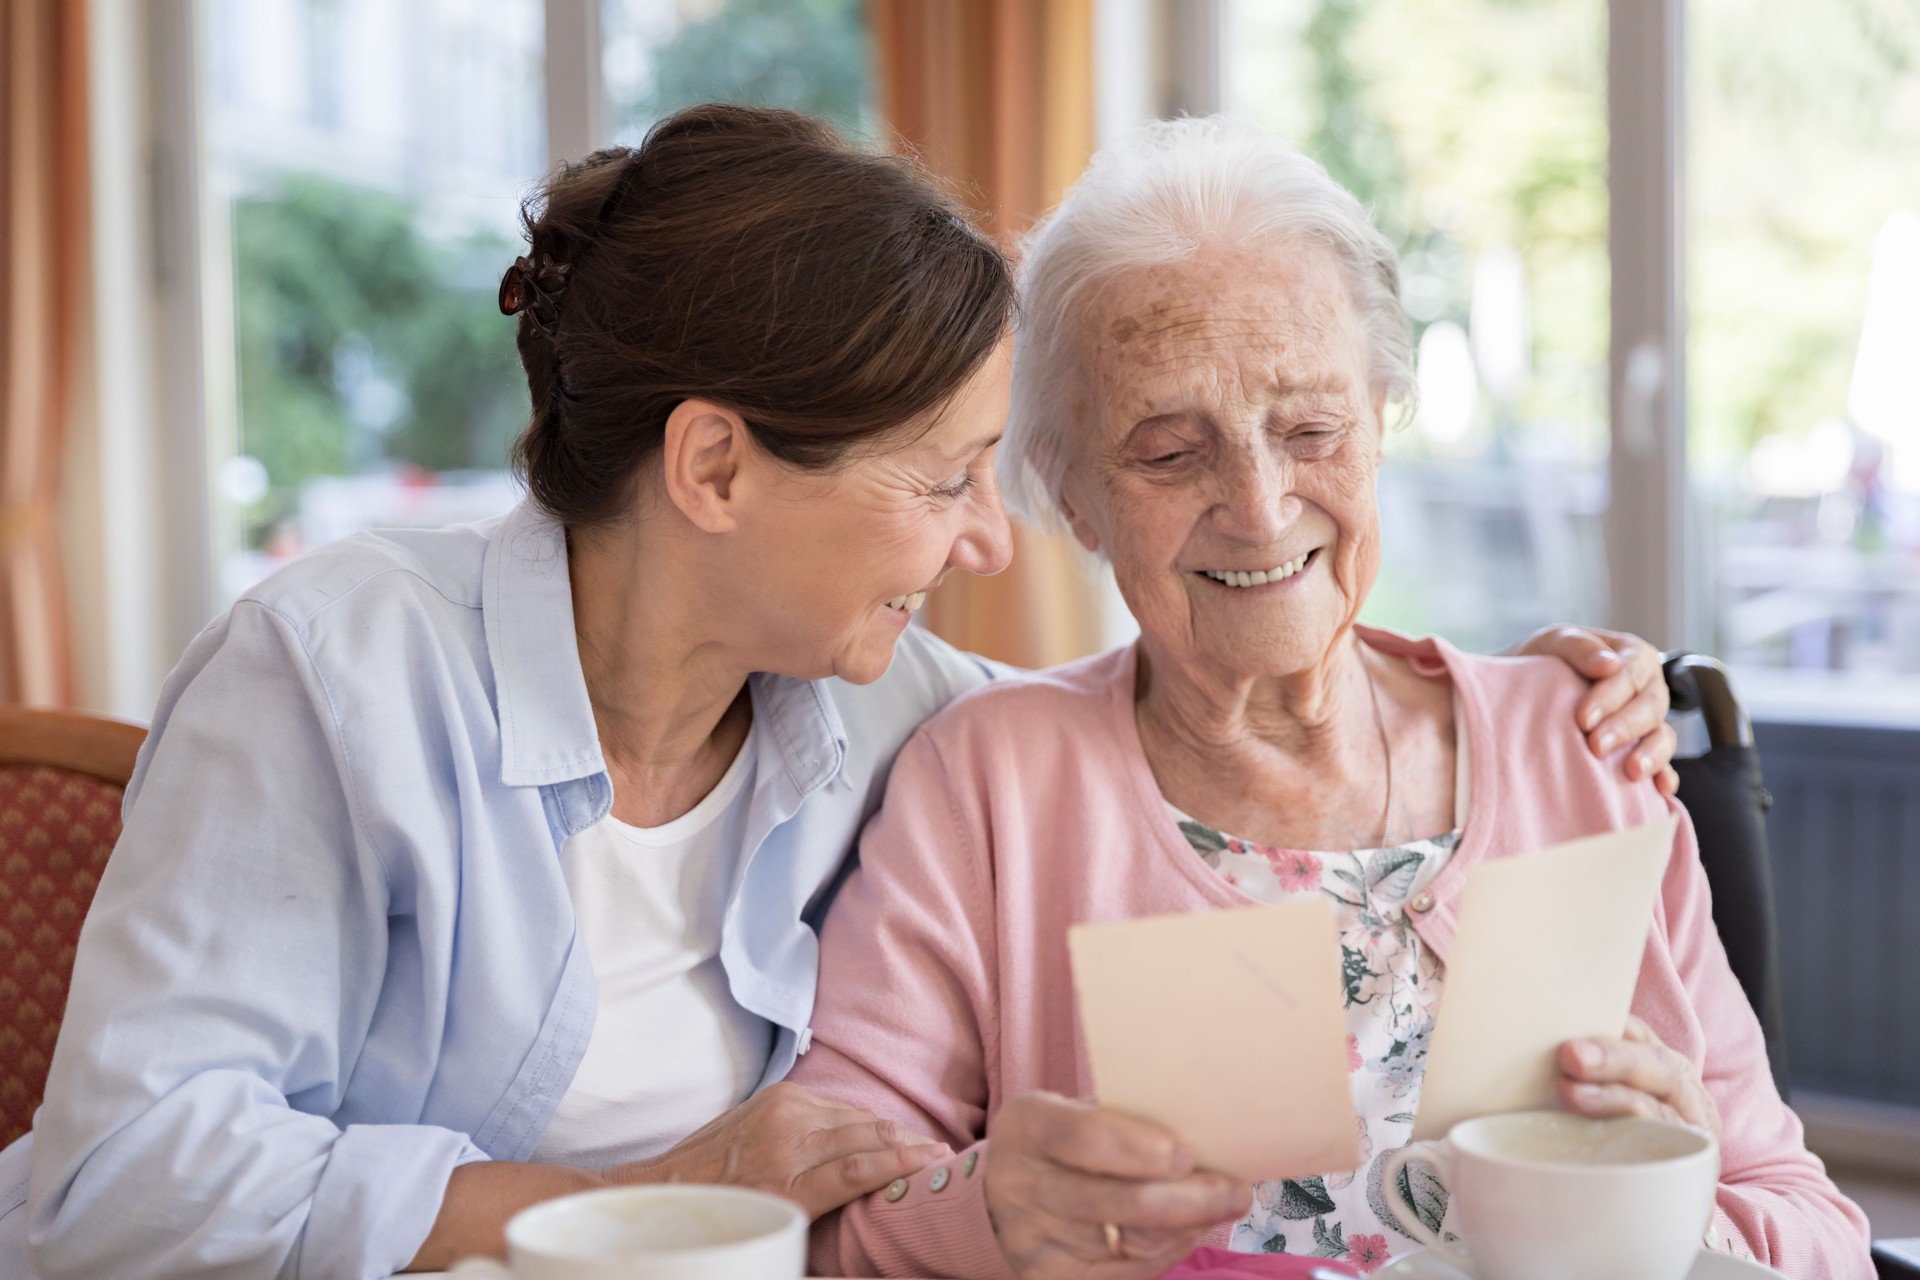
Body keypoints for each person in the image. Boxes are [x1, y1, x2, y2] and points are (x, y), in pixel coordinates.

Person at [0, 106, 1678, 1280]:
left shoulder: (894, 708)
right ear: (716, 467)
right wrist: (649, 1193)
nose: (980, 539)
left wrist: (1513, 699)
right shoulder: (333, 673)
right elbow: (109, 1186)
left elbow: (1155, 702)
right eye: (942, 481)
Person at [792, 118, 1871, 1280]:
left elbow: (1819, 1236)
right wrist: (994, 1213)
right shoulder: (987, 785)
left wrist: (1677, 1193)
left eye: (1311, 429)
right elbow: (827, 1219)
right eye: (1168, 451)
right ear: (1071, 493)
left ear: (1381, 424)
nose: (1258, 506)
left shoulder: (1587, 744)